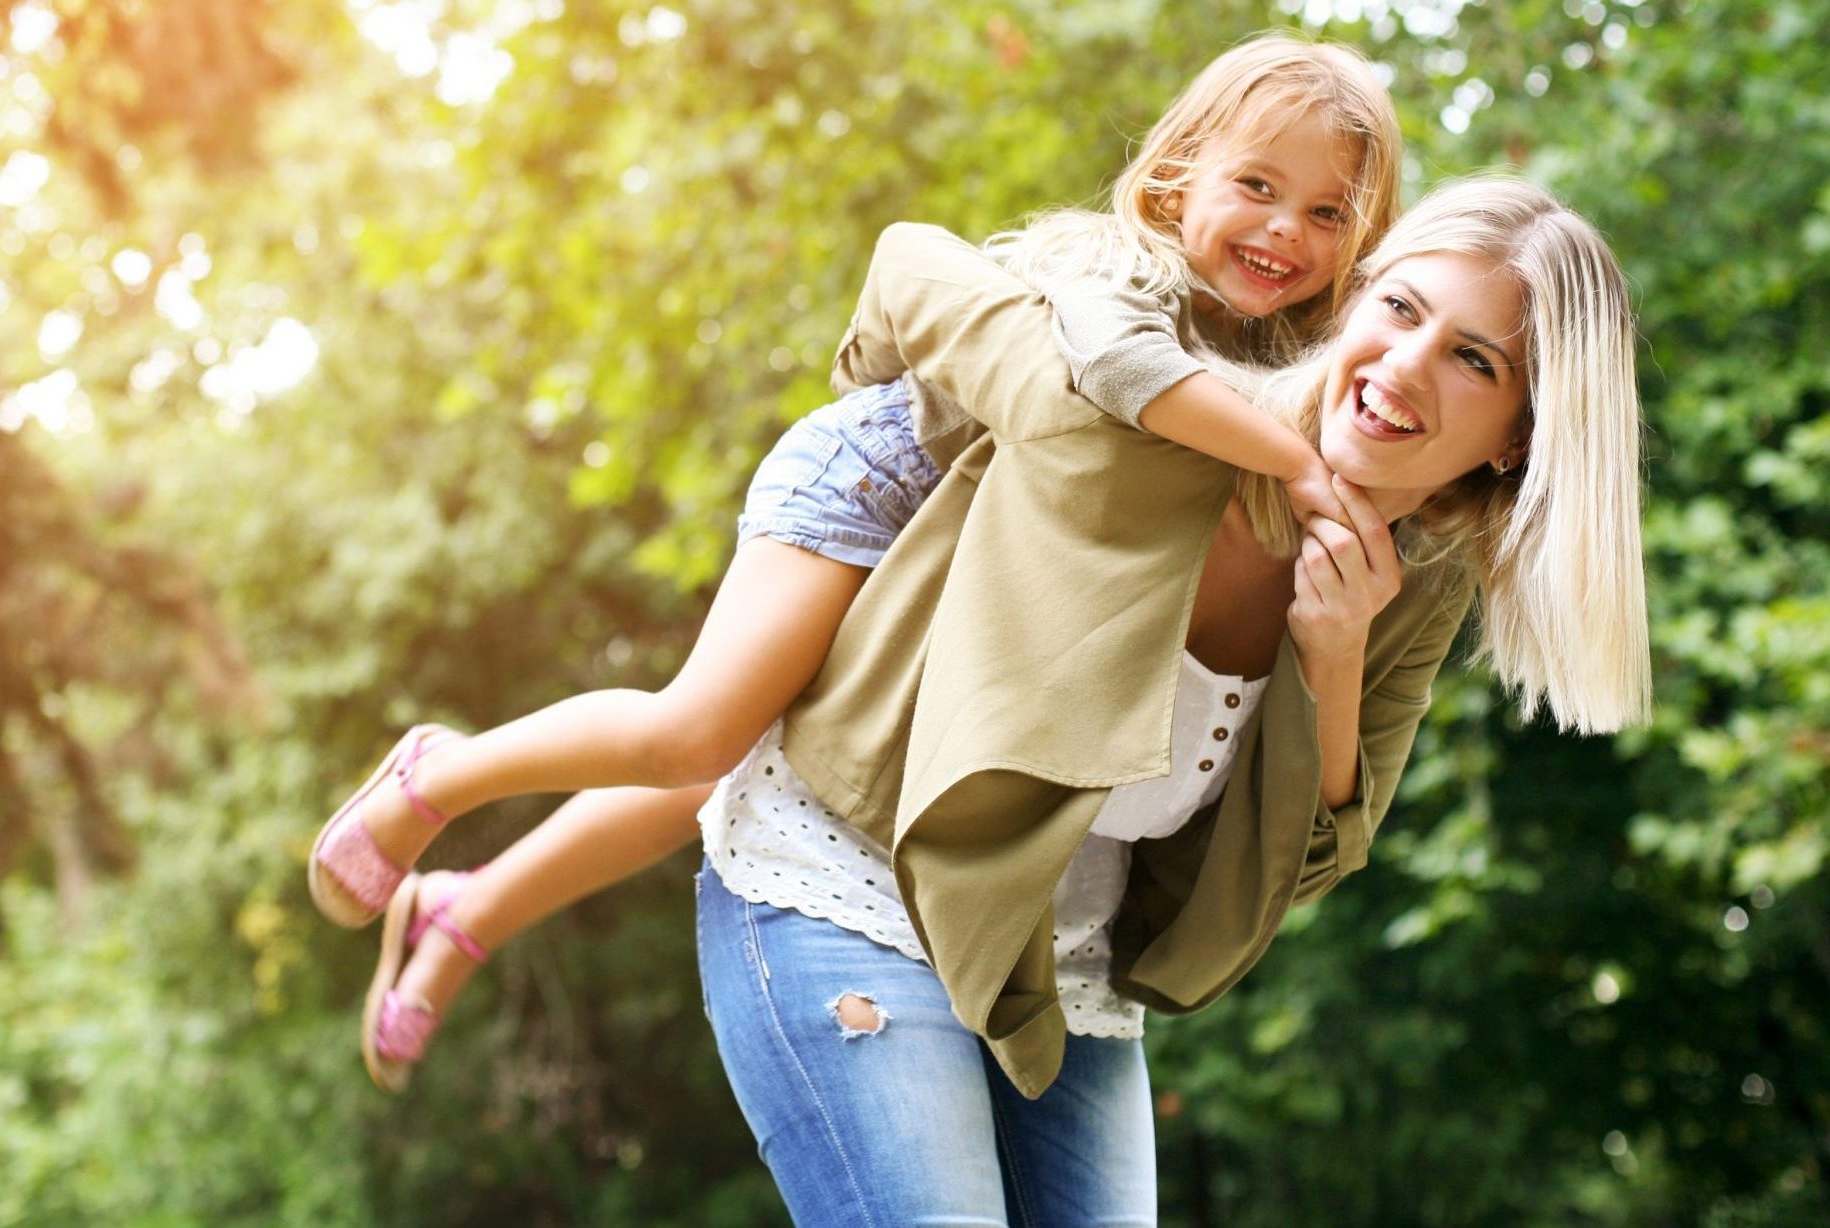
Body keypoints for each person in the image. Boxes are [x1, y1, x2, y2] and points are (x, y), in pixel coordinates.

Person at [311, 33, 1409, 1091]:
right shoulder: (1116, 271)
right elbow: (1119, 374)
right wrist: (1297, 467)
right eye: (1257, 187)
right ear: (1175, 180)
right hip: (885, 484)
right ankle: (435, 775)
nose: (1285, 231)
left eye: (1326, 215)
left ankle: (468, 910)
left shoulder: (1299, 360)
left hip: (979, 554)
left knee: (729, 775)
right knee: (702, 730)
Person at [696, 173, 1652, 1225]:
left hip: (1059, 977)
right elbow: (917, 274)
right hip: (853, 878)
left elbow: (1308, 865)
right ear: (1358, 298)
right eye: (1400, 308)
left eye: (1474, 360)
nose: (1403, 367)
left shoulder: (1416, 583)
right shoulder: (1164, 409)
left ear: (1520, 433)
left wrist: (1332, 659)